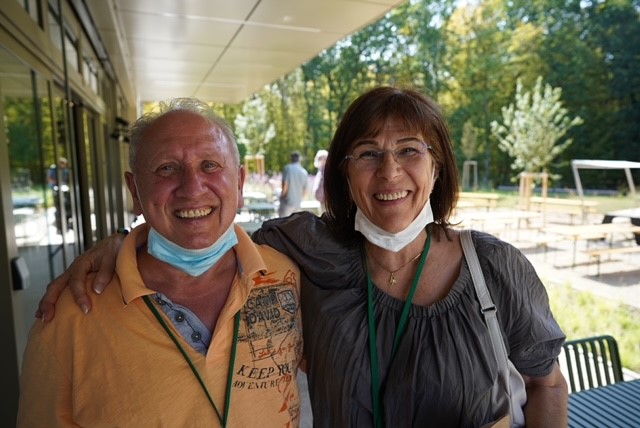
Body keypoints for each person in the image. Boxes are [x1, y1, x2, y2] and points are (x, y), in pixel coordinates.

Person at [38, 87, 568, 427]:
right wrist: (121, 243)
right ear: (343, 172)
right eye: (368, 154)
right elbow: (204, 225)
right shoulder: (309, 255)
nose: (389, 172)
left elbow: (546, 383)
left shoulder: (492, 268)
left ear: (438, 167)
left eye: (410, 150)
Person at [19, 99, 304, 427]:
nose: (192, 188)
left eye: (210, 165)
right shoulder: (69, 317)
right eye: (167, 168)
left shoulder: (290, 276)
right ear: (135, 190)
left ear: (239, 183)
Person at [278, 151, 308, 217]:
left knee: (283, 222)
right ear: (299, 159)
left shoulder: (287, 168)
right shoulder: (304, 172)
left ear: (291, 158)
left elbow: (285, 185)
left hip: (287, 203)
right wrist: (299, 199)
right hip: (297, 204)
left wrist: (281, 197)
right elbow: (305, 191)